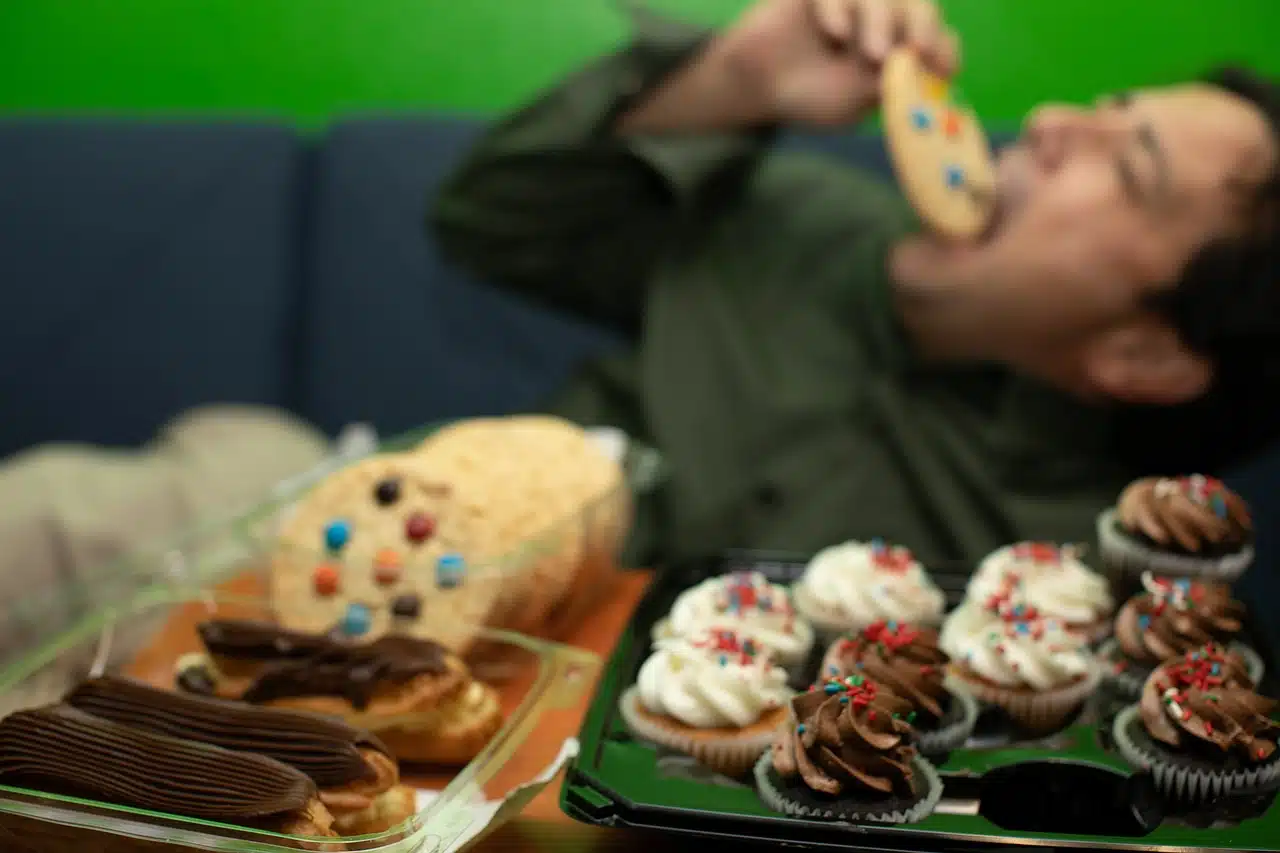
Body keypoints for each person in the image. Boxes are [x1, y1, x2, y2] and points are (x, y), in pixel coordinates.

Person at [431, 0, 1280, 568]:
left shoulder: (1057, 592)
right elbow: (482, 224)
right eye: (1102, 106)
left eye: (1128, 166)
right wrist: (733, 82)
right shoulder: (798, 212)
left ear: (1145, 356)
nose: (1053, 122)